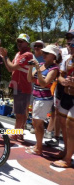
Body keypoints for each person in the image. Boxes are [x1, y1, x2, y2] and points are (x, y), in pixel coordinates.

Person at [26, 45, 60, 156]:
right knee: (35, 123)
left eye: (47, 53)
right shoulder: (41, 65)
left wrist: (38, 70)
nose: (44, 54)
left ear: (53, 56)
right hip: (37, 97)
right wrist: (31, 67)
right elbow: (29, 79)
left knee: (38, 124)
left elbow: (44, 83)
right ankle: (38, 145)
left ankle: (39, 148)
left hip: (44, 99)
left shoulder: (54, 69)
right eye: (44, 52)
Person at [0, 33, 33, 141]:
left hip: (22, 87)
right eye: (18, 41)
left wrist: (5, 56)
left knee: (19, 113)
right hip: (18, 86)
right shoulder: (19, 54)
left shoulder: (27, 55)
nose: (19, 43)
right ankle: (20, 133)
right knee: (21, 112)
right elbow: (10, 69)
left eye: (21, 41)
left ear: (27, 43)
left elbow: (12, 66)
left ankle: (15, 134)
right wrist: (5, 57)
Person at [46, 30, 73, 147]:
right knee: (57, 112)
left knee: (69, 119)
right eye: (68, 37)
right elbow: (57, 66)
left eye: (72, 37)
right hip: (61, 88)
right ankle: (56, 137)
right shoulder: (62, 51)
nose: (69, 39)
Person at [51, 38, 74, 168]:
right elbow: (60, 75)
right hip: (66, 95)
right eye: (70, 44)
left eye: (73, 45)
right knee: (62, 122)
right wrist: (62, 80)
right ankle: (66, 151)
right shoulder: (68, 60)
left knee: (70, 125)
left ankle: (68, 159)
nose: (70, 47)